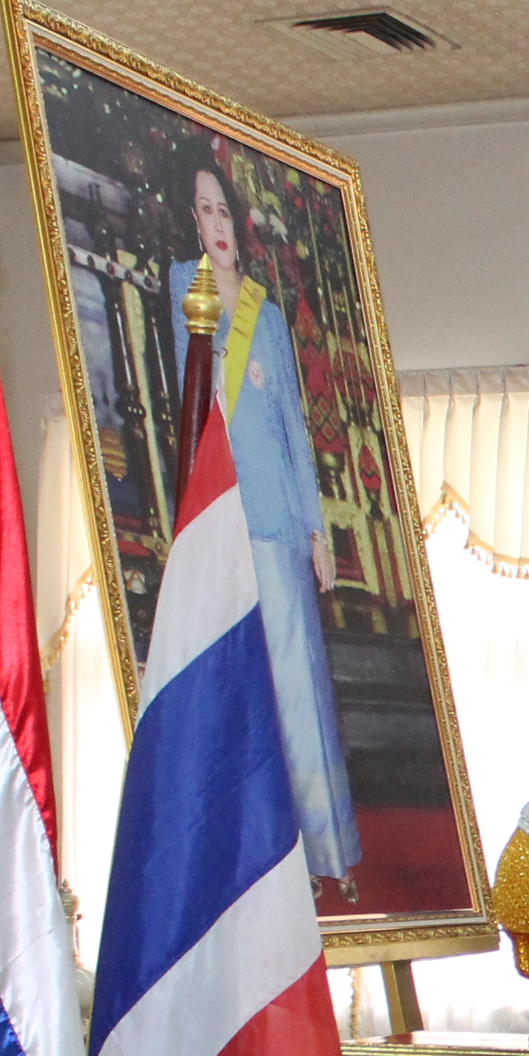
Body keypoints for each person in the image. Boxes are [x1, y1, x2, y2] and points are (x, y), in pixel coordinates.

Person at [166, 156, 366, 898]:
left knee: (296, 685)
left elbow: (292, 428)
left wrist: (316, 532)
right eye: (204, 209)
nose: (217, 224)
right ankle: (246, 853)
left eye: (224, 209)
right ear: (192, 220)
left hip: (277, 519)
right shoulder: (182, 290)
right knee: (234, 690)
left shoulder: (268, 317)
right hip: (220, 517)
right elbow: (187, 389)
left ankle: (321, 852)